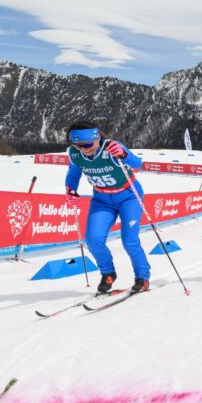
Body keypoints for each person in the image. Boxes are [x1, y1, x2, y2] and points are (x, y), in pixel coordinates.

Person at [64, 122, 151, 294]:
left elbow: (138, 164)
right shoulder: (75, 154)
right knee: (93, 239)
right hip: (102, 200)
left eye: (88, 145)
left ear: (97, 139)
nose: (84, 149)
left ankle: (142, 277)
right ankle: (108, 273)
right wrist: (70, 189)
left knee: (129, 240)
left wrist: (124, 154)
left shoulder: (112, 148)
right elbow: (73, 174)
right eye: (78, 145)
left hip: (129, 197)